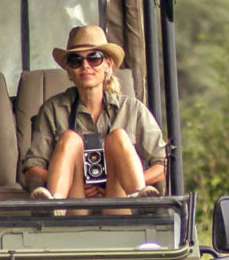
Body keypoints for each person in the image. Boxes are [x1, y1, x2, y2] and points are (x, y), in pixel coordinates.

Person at [20, 24, 167, 200]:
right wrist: (75, 180)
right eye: (76, 60)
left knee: (118, 137)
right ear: (68, 70)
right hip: (73, 201)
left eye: (94, 58)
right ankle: (53, 204)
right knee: (69, 138)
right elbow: (31, 169)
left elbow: (164, 165)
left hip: (119, 199)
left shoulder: (132, 109)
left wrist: (125, 179)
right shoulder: (52, 110)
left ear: (108, 65)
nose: (85, 66)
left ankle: (141, 200)